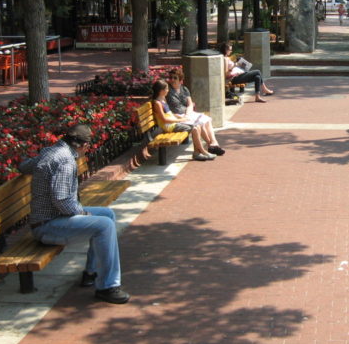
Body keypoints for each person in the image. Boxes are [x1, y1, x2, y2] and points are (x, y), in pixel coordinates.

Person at [19, 124, 130, 304]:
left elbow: (25, 167)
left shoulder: (50, 152)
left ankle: (91, 272)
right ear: (82, 145)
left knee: (107, 214)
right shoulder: (66, 161)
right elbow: (62, 199)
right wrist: (83, 213)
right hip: (48, 225)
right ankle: (108, 286)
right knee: (104, 225)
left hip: (51, 219)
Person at [151, 80, 217, 161]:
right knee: (195, 128)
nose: (168, 90)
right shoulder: (157, 103)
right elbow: (164, 119)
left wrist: (177, 116)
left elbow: (168, 113)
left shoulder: (163, 99)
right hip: (169, 126)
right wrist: (180, 120)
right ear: (161, 91)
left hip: (173, 123)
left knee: (198, 126)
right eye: (166, 89)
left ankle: (197, 152)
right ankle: (202, 152)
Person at [166, 69, 224, 156]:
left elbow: (190, 104)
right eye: (170, 78)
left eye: (175, 78)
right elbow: (166, 109)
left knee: (207, 121)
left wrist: (188, 114)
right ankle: (211, 145)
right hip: (178, 116)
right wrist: (182, 116)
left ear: (180, 80)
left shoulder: (184, 89)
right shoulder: (167, 91)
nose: (172, 80)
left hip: (187, 114)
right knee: (200, 123)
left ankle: (213, 142)